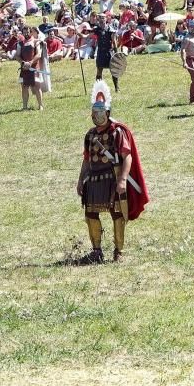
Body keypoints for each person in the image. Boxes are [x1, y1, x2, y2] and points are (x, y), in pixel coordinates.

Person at [75, 80, 148, 265]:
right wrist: (80, 180)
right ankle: (97, 251)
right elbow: (86, 159)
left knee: (117, 214)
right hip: (93, 180)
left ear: (107, 113)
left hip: (112, 179)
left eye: (99, 112)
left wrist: (122, 179)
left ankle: (119, 251)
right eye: (94, 112)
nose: (95, 115)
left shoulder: (117, 133)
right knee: (90, 214)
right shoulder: (90, 135)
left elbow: (127, 156)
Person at [18, 27, 45, 111]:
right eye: (24, 32)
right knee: (24, 87)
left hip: (34, 67)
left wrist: (30, 62)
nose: (26, 34)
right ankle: (25, 106)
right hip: (24, 68)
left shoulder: (35, 42)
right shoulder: (20, 43)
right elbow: (17, 55)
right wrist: (23, 63)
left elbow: (39, 54)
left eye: (27, 32)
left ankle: (40, 105)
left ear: (30, 33)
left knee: (37, 86)